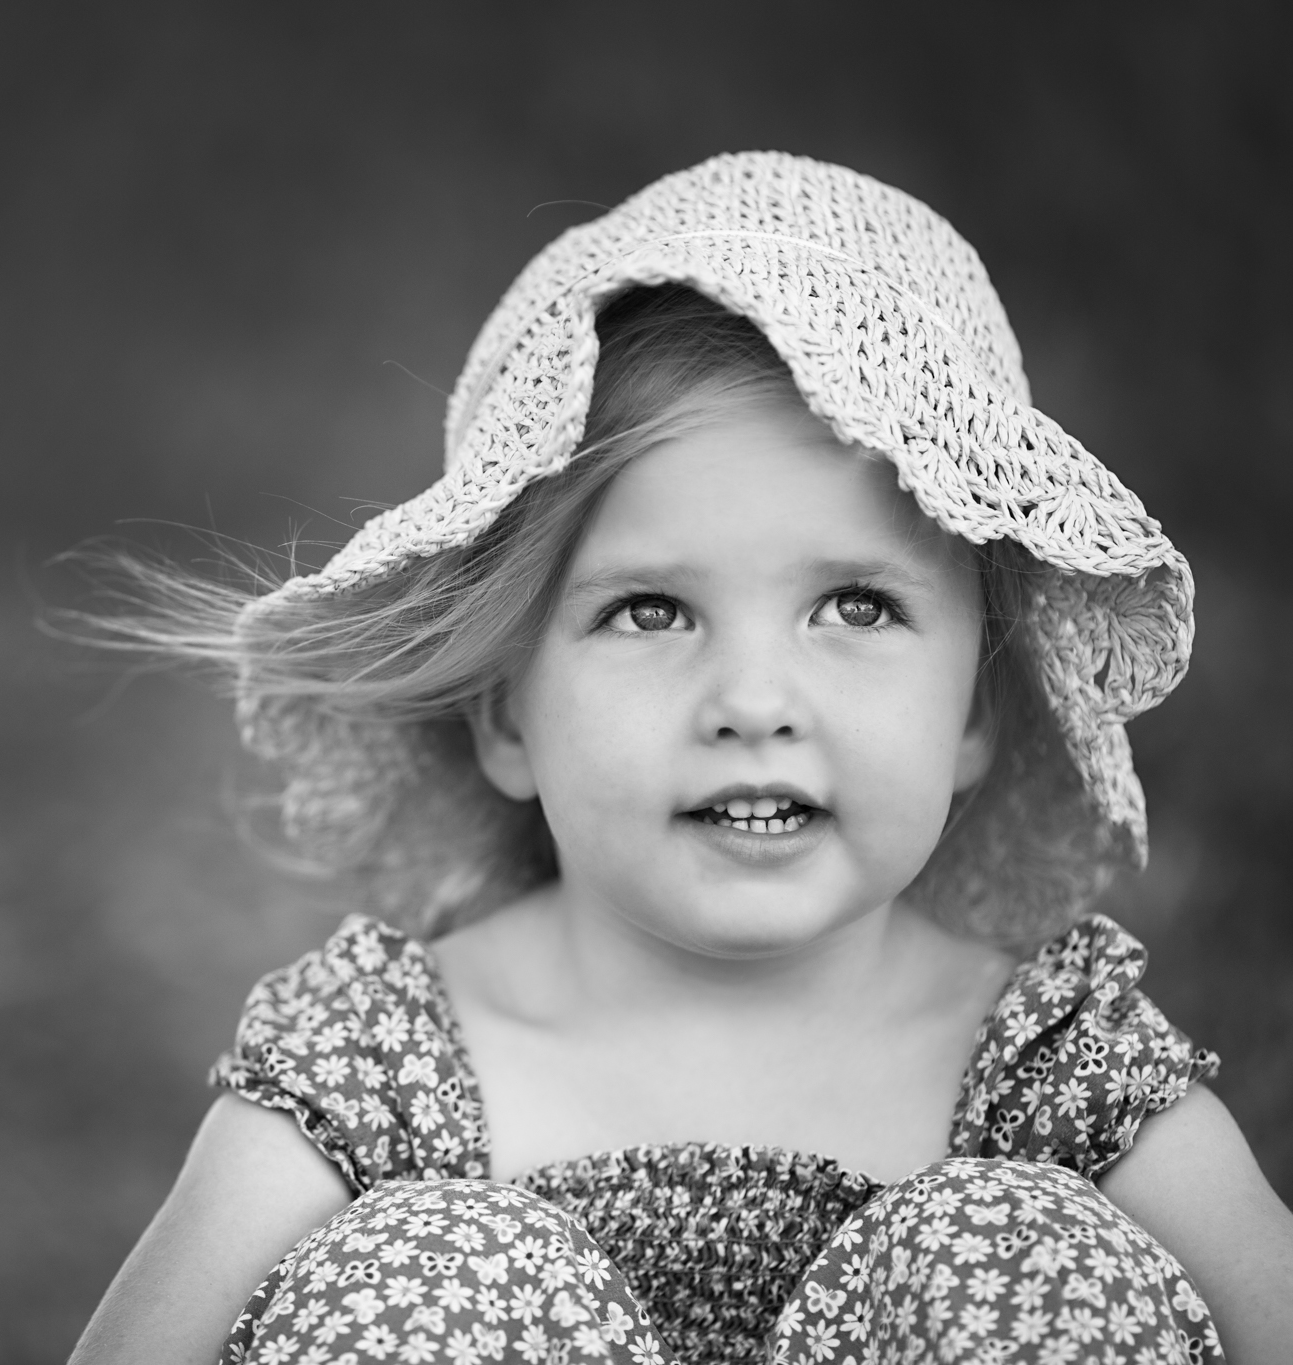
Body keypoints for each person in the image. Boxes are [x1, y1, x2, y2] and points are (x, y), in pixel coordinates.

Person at [66, 153, 1293, 1365]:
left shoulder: (1039, 1055)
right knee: (421, 1271)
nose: (751, 702)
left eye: (856, 608)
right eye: (649, 612)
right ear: (504, 719)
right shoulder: (387, 1059)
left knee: (1022, 1252)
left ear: (976, 707)